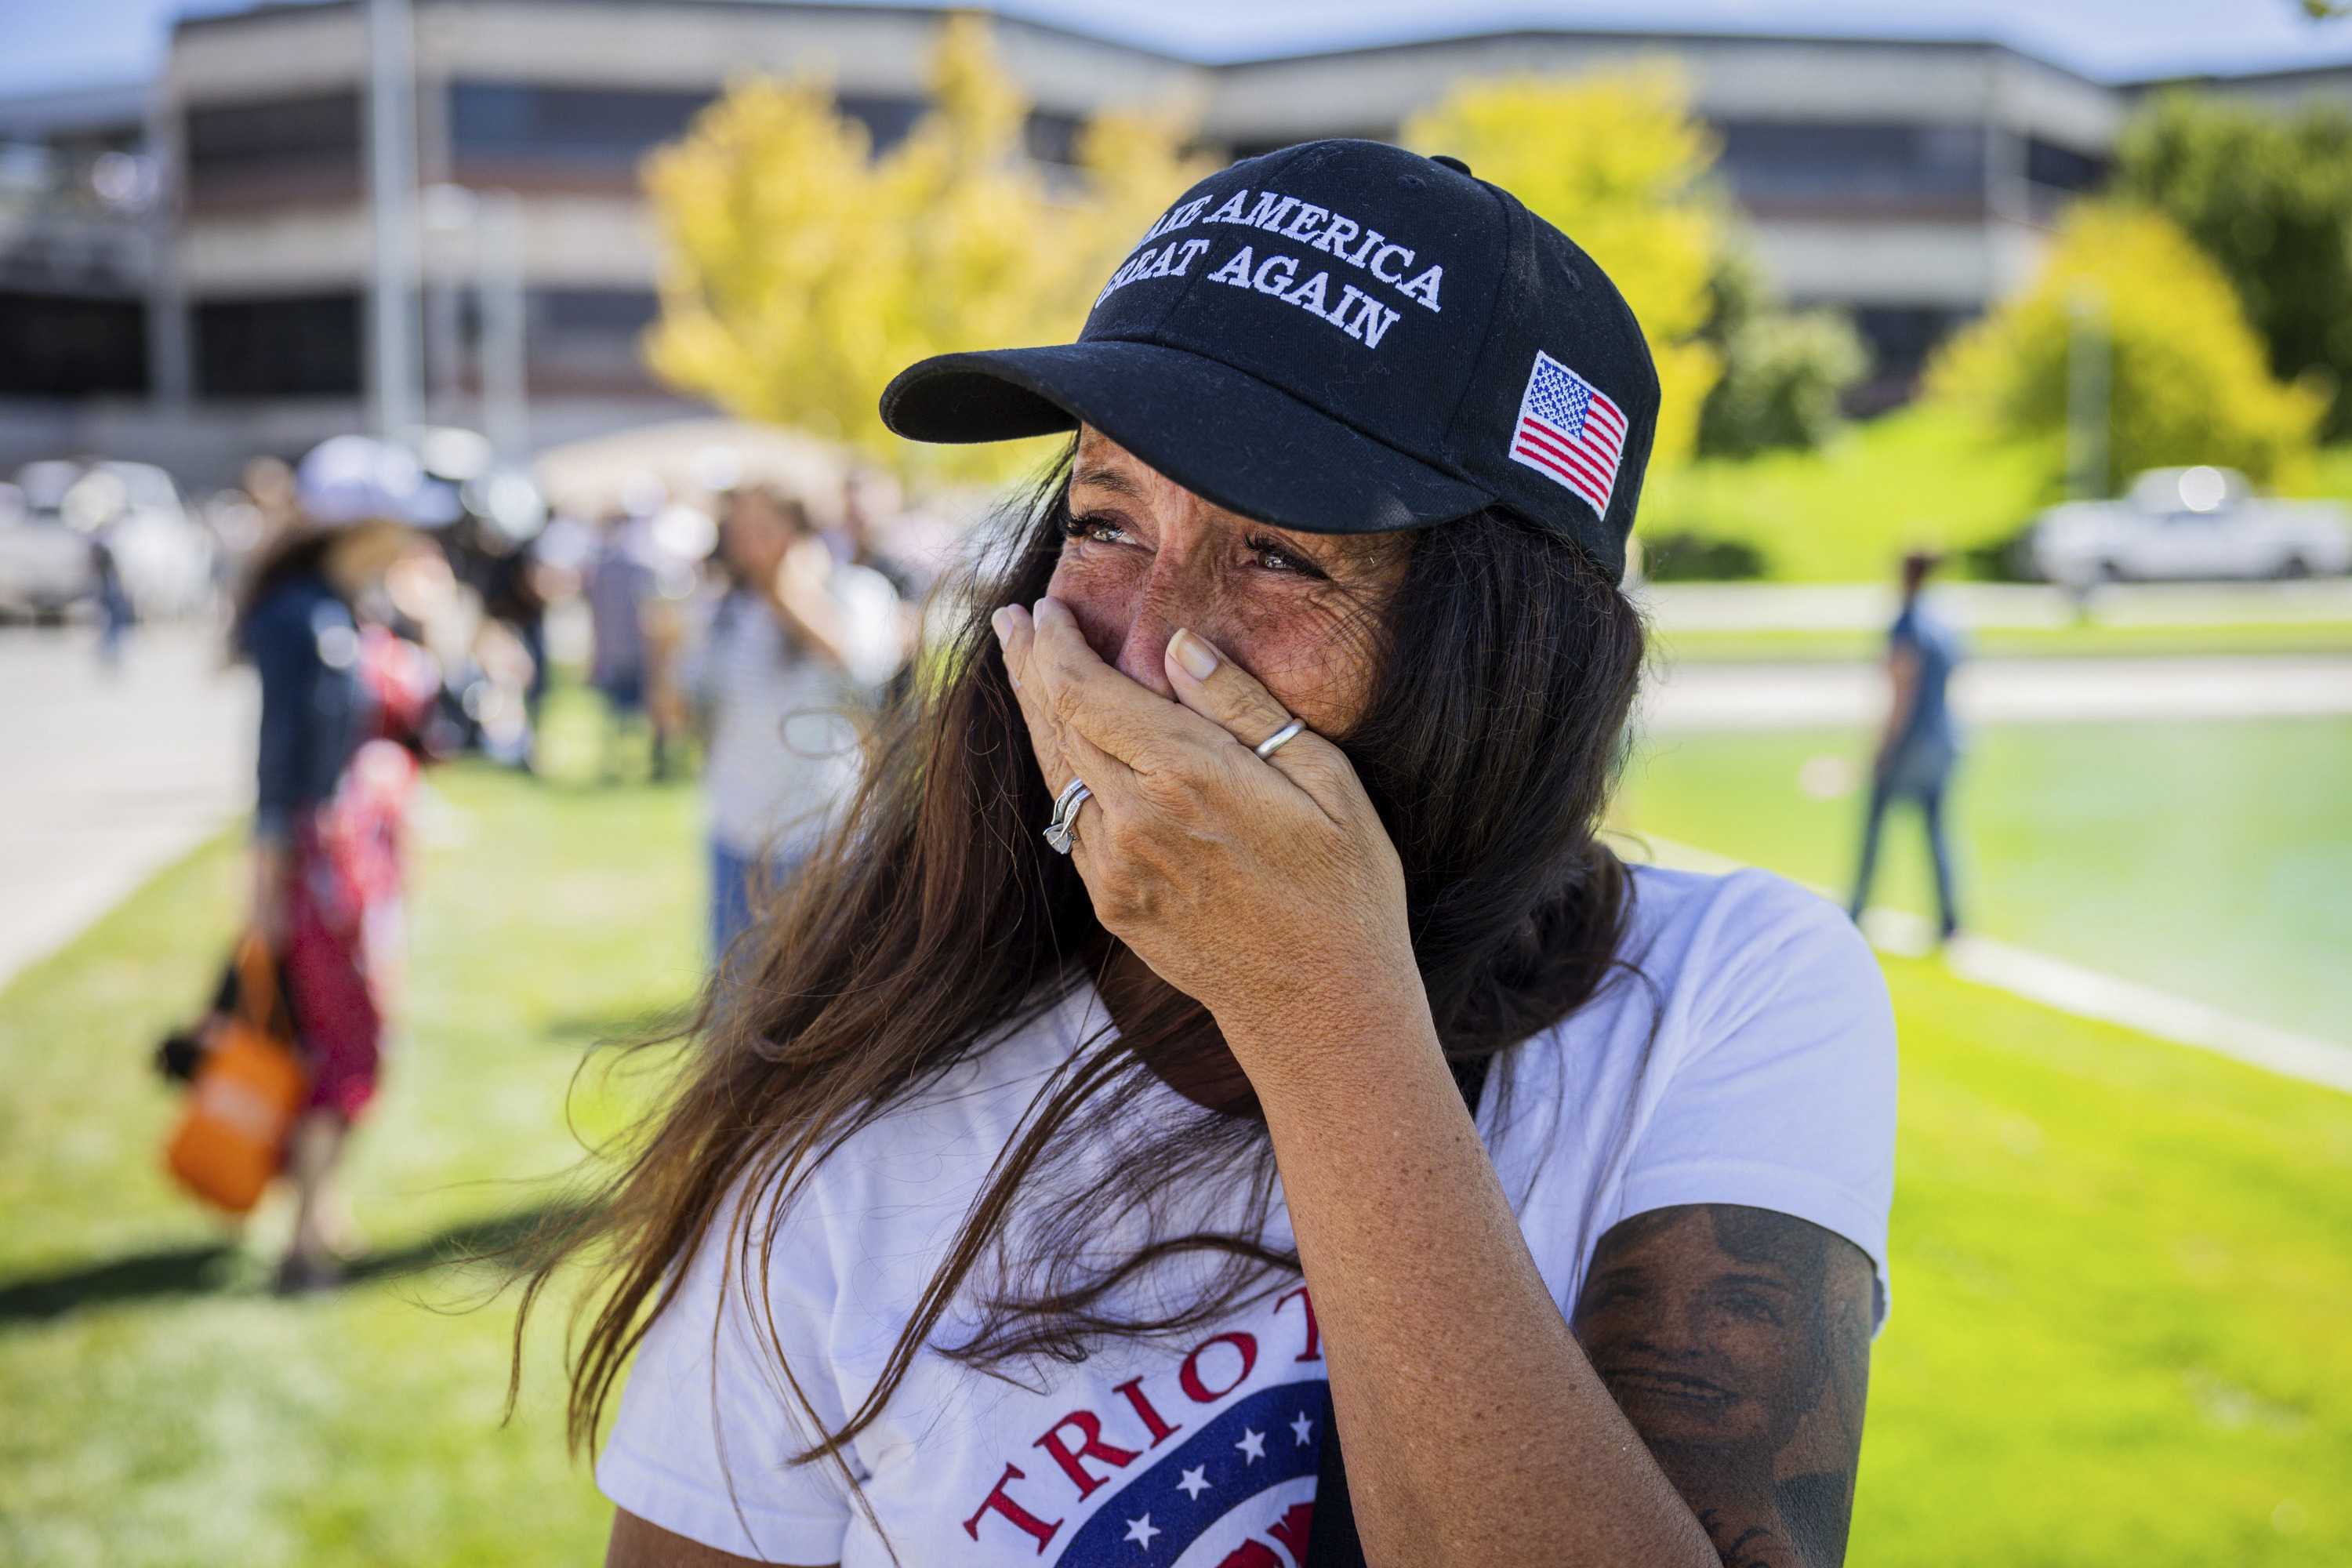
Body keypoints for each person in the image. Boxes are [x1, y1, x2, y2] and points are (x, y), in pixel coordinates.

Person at [533, 142, 1896, 1568]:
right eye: (1107, 520)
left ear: (1508, 655)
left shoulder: (1724, 993)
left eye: (1281, 556)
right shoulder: (861, 1109)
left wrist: (1315, 1001)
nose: (1141, 645)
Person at [236, 435, 437, 1293]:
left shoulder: (342, 607)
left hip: (350, 855)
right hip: (325, 861)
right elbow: (279, 759)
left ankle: (322, 1214)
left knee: (352, 1035)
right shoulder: (303, 618)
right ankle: (302, 1240)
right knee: (340, 1040)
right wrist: (266, 879)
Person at [684, 485, 856, 960]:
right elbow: (682, 712)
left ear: (800, 531)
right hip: (735, 829)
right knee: (735, 992)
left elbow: (853, 660)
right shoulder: (721, 611)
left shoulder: (846, 591)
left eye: (762, 528)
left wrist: (789, 585)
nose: (745, 542)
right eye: (737, 529)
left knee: (817, 991)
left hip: (820, 832)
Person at [1848, 548, 1964, 940]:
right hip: (1944, 739)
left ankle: (1857, 910)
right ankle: (1950, 921)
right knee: (1937, 831)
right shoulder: (1945, 621)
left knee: (1874, 826)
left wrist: (1881, 748)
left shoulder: (1907, 624)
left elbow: (1902, 691)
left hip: (1910, 742)